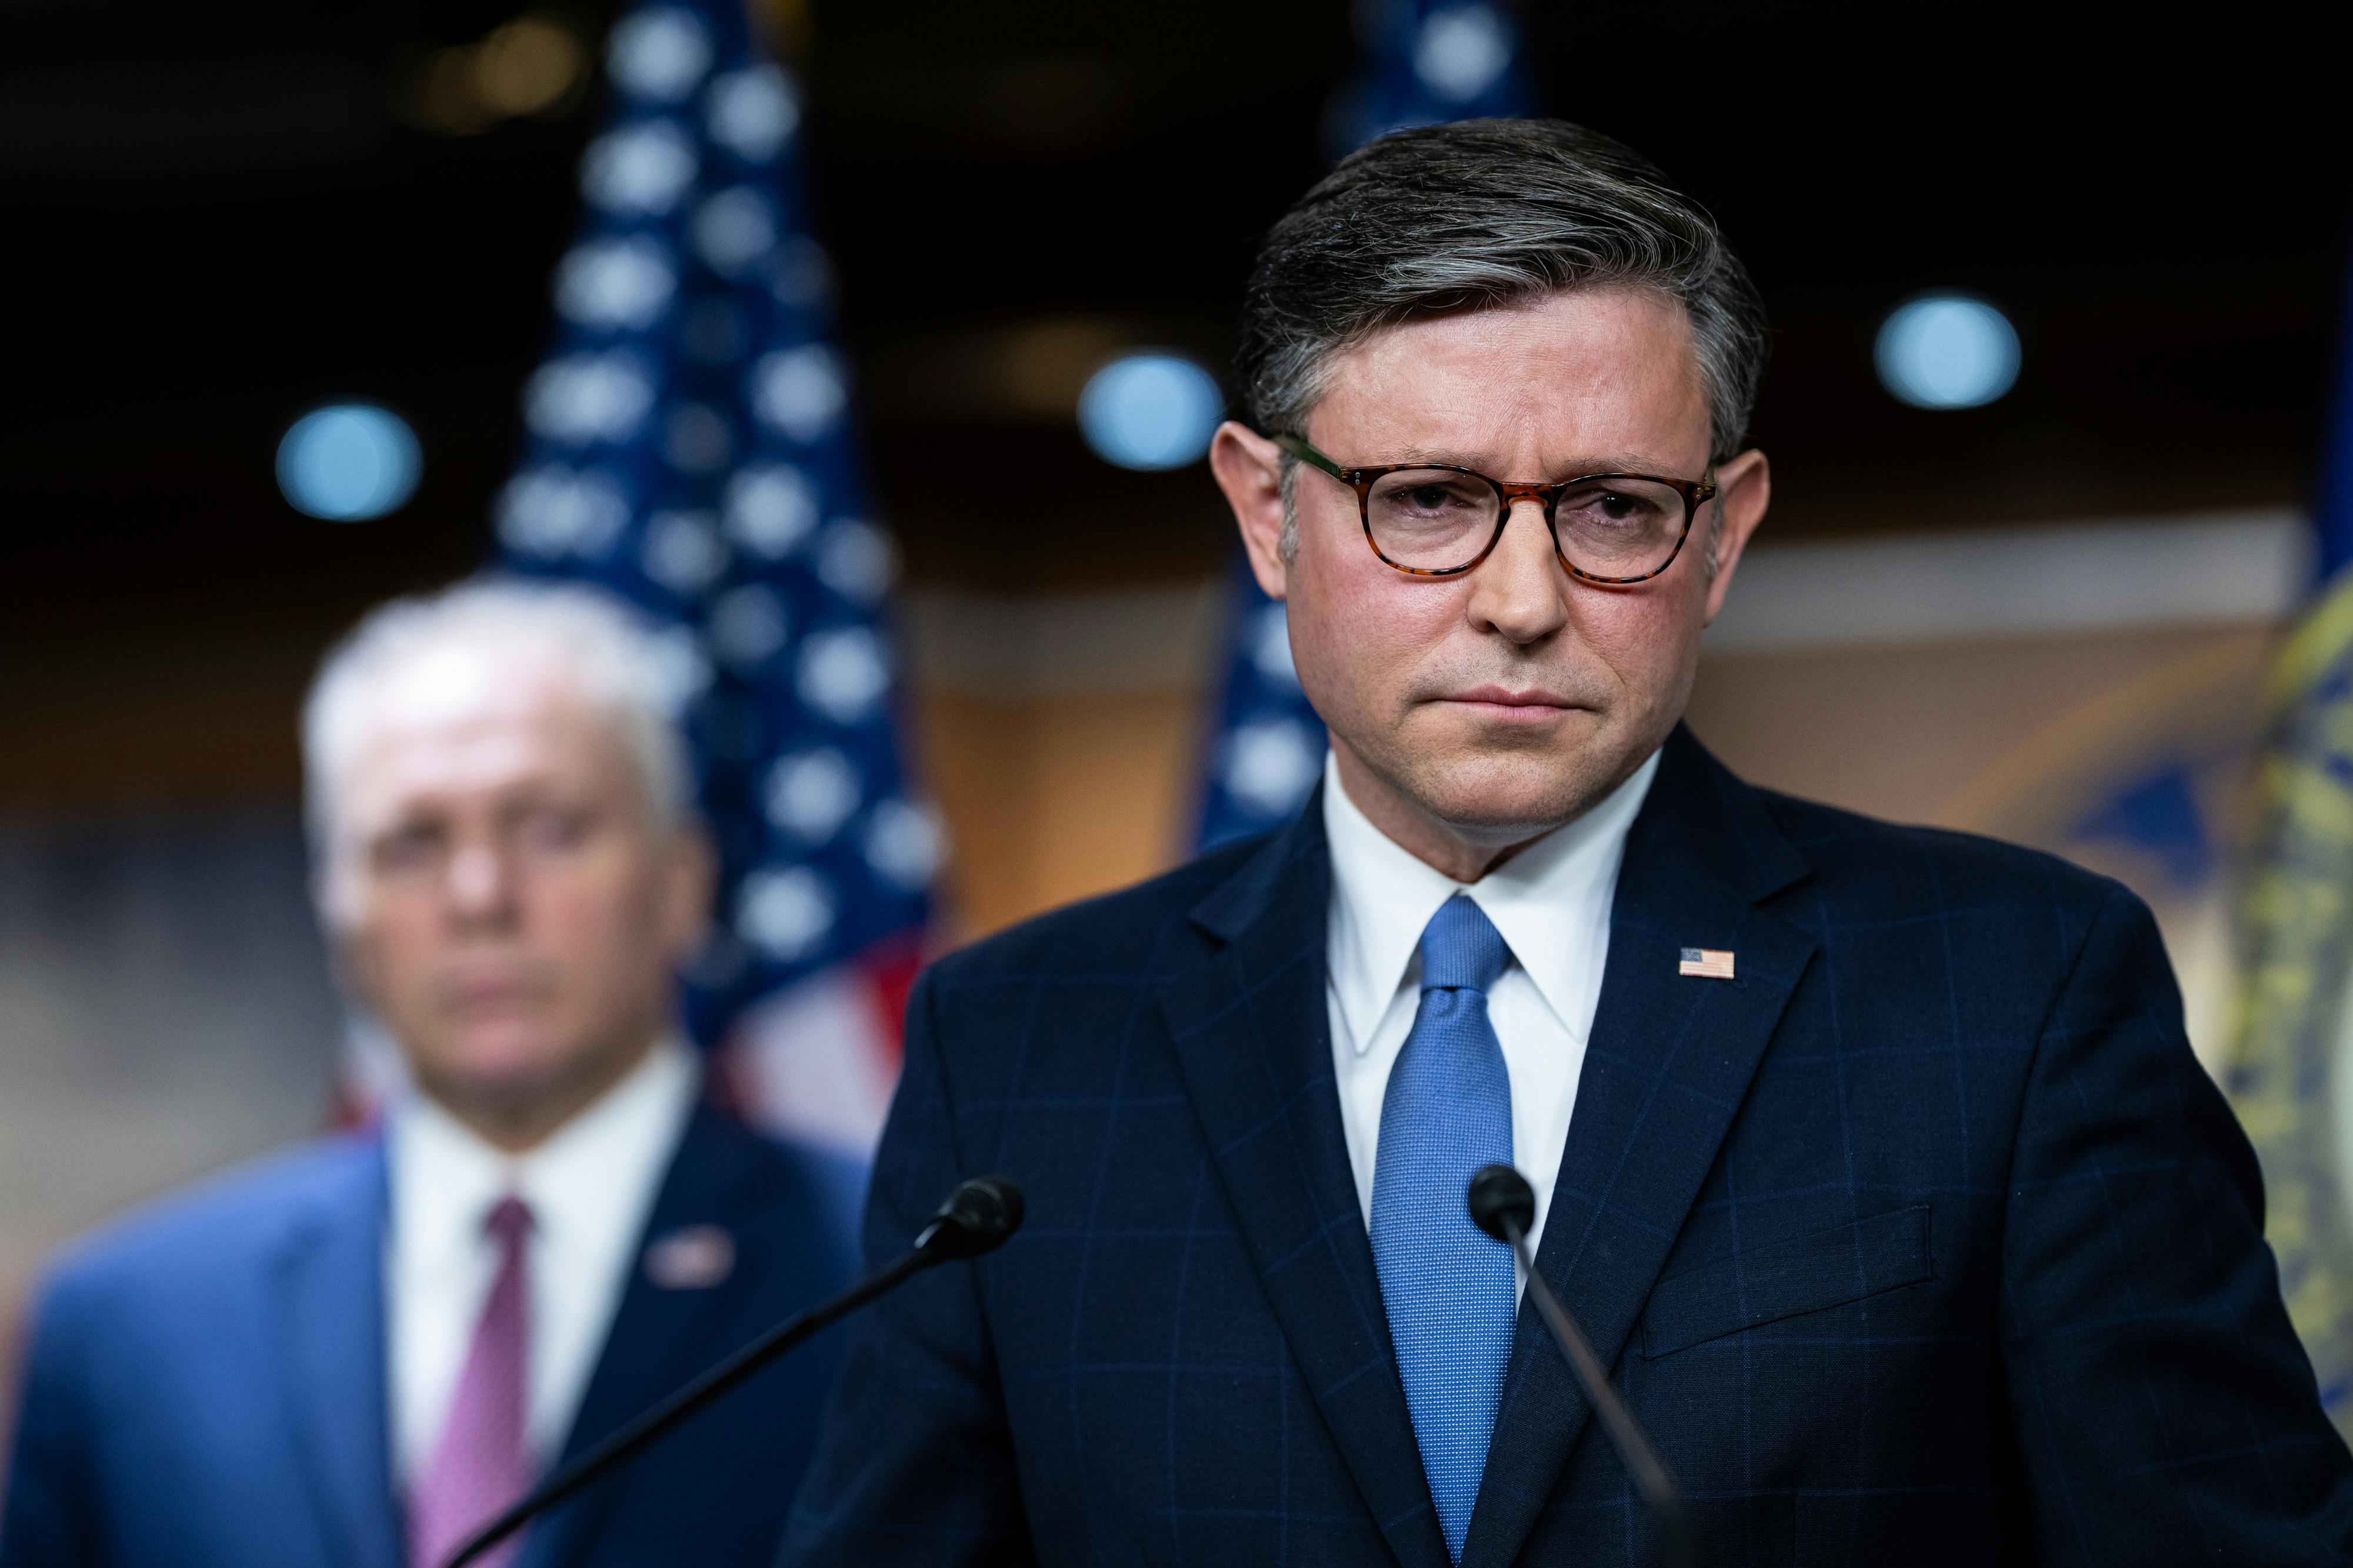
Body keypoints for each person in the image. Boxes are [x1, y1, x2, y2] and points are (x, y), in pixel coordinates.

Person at [775, 119, 2353, 1567]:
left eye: (1611, 509)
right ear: (1266, 513)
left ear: (1720, 535)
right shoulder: (1019, 1045)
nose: (1522, 600)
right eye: (1426, 499)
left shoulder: (2012, 994)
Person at [1, 583, 859, 1568]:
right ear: (335, 906)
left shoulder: (890, 1274)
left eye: (549, 828)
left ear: (680, 879)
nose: (479, 895)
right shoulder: (127, 1327)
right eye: (411, 844)